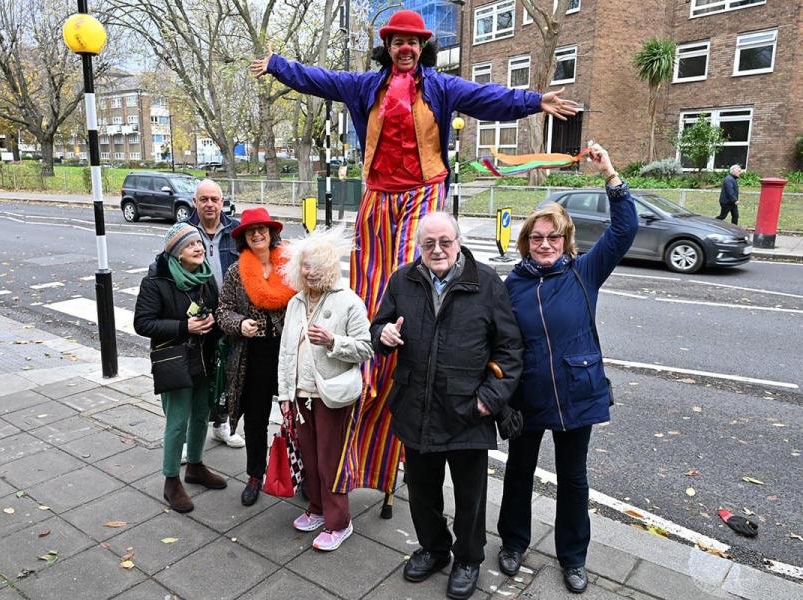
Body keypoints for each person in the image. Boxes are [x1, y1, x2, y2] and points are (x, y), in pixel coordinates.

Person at [251, 9, 578, 510]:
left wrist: (535, 101)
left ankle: (410, 342)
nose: (407, 48)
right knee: (370, 292)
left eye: (414, 42)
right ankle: (367, 364)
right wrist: (276, 64)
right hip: (378, 197)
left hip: (423, 194)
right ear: (389, 46)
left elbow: (489, 97)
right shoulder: (366, 86)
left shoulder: (441, 87)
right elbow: (318, 79)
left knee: (414, 277)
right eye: (399, 41)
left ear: (422, 48)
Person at [496, 144, 638, 594]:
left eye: (553, 238)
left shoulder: (583, 272)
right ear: (525, 242)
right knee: (519, 471)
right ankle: (514, 543)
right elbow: (494, 341)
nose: (544, 244)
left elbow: (624, 230)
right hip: (527, 396)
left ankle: (573, 558)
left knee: (573, 478)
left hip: (578, 391)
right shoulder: (511, 286)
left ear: (565, 240)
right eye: (537, 238)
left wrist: (610, 175)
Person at [371, 211, 523, 600]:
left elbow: (510, 348)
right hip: (416, 405)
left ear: (458, 243)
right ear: (418, 246)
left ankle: (469, 558)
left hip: (468, 409)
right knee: (422, 491)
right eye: (428, 244)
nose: (437, 250)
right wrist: (383, 333)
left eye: (445, 242)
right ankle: (434, 549)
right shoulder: (402, 279)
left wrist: (489, 401)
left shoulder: (486, 282)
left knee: (470, 496)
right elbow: (378, 326)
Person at [275, 227, 374, 552]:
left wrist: (333, 342)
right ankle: (316, 509)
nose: (310, 271)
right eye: (305, 265)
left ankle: (339, 522)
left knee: (330, 461)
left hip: (332, 396)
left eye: (317, 265)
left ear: (330, 267)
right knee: (310, 458)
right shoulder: (294, 303)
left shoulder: (348, 302)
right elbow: (287, 353)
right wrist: (285, 396)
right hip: (301, 397)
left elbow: (365, 347)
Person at [134, 222, 227, 513]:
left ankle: (196, 466)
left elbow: (214, 307)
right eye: (190, 245)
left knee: (201, 415)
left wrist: (212, 323)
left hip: (204, 357)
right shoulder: (156, 280)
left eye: (198, 242)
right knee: (177, 422)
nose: (198, 248)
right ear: (176, 252)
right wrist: (184, 326)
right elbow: (143, 323)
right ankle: (171, 480)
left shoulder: (205, 276)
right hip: (174, 360)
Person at [216, 207, 295, 507]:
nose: (257, 234)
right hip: (253, 355)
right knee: (256, 418)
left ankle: (299, 472)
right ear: (244, 238)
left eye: (262, 229)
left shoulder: (289, 265)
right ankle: (254, 475)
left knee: (296, 416)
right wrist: (240, 324)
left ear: (271, 233)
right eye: (251, 231)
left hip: (287, 353)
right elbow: (222, 310)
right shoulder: (237, 271)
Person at [187, 179, 245, 449]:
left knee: (227, 374)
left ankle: (221, 425)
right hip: (198, 317)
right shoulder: (185, 231)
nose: (209, 204)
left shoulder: (236, 231)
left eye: (214, 199)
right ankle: (190, 437)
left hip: (230, 316)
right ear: (194, 202)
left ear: (222, 202)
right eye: (204, 199)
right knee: (197, 375)